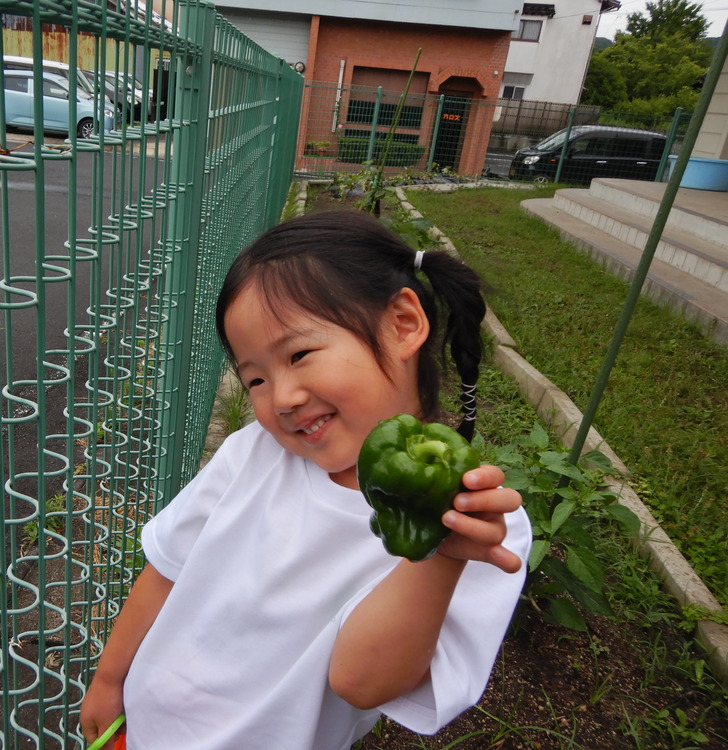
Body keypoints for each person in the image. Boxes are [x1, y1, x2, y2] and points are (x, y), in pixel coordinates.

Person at [81, 210, 532, 749]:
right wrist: (109, 678)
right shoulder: (252, 453)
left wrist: (441, 556)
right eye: (255, 378)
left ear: (403, 324)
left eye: (299, 354)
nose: (283, 398)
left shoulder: (479, 525)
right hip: (142, 725)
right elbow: (167, 569)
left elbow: (360, 684)